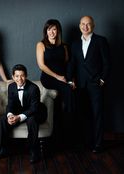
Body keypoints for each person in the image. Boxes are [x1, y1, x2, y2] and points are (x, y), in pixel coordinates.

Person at [67, 16, 110, 153]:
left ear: (93, 25)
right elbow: (72, 63)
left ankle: (98, 144)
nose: (85, 27)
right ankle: (87, 142)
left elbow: (107, 63)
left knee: (97, 114)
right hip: (80, 84)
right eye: (83, 24)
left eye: (88, 24)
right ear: (80, 25)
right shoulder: (74, 44)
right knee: (84, 115)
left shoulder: (101, 41)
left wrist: (102, 79)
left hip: (96, 84)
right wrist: (69, 79)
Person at [0, 64, 47, 164]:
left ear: (26, 76)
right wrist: (10, 115)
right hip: (20, 111)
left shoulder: (33, 88)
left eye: (22, 75)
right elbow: (10, 105)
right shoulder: (11, 87)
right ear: (13, 77)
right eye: (17, 76)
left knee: (32, 120)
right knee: (3, 119)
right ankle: (3, 149)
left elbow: (34, 108)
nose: (20, 79)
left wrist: (19, 117)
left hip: (36, 111)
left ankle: (34, 151)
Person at [36, 19, 75, 148]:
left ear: (58, 31)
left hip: (62, 77)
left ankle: (64, 133)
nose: (52, 32)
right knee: (69, 92)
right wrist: (58, 77)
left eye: (54, 29)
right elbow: (41, 65)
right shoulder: (41, 45)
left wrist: (71, 80)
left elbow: (67, 64)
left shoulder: (64, 46)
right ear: (46, 31)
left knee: (69, 94)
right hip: (48, 78)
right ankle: (67, 133)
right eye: (49, 29)